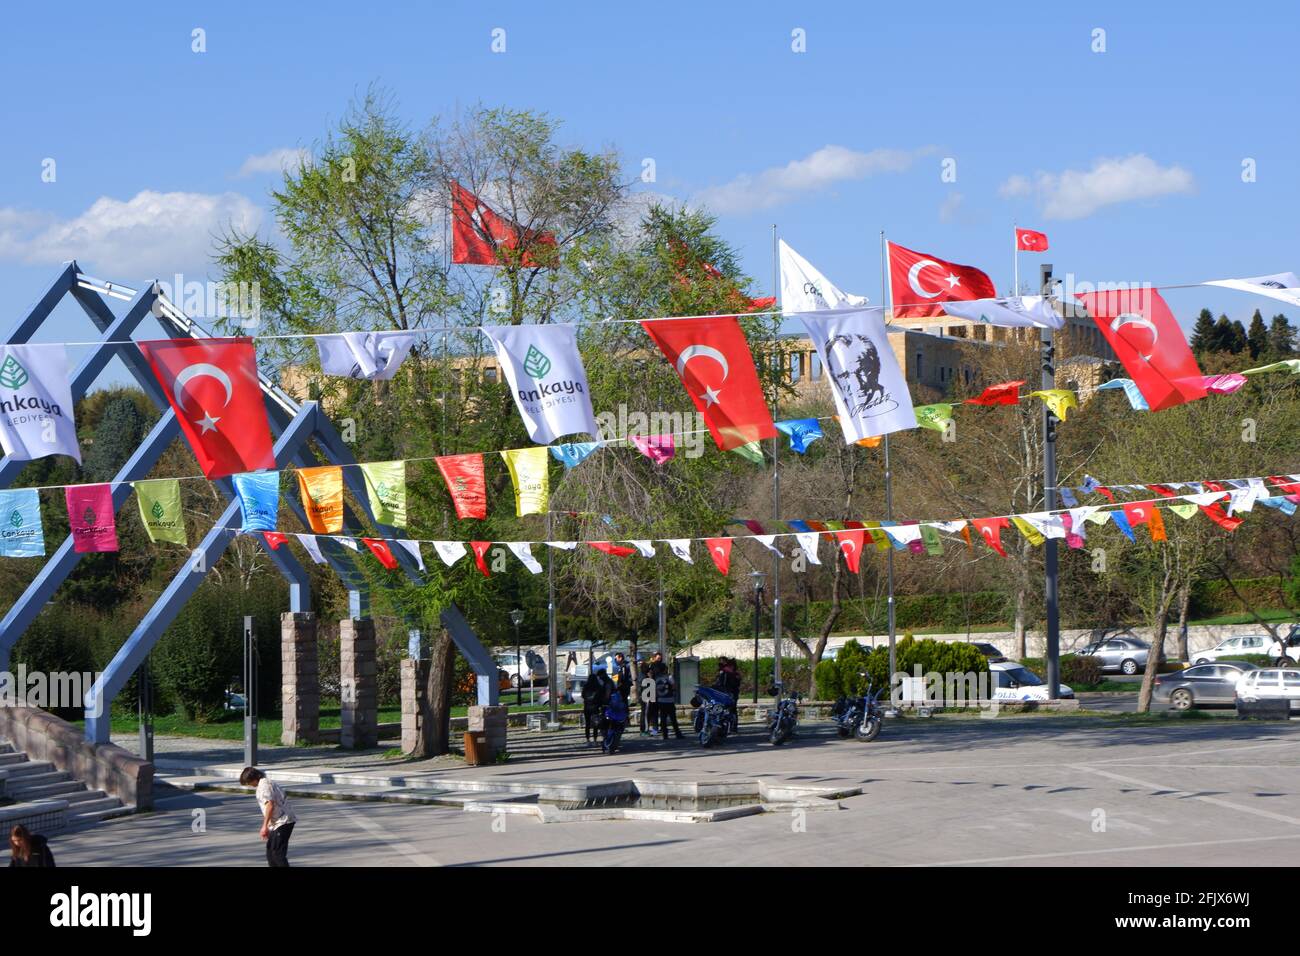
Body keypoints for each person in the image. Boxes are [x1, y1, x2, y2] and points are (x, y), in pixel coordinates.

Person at [240, 767, 297, 867]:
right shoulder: (265, 782)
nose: (249, 785)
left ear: (254, 778)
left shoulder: (264, 786)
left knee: (277, 854)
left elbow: (270, 805)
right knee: (271, 852)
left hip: (283, 821)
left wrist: (264, 826)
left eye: (248, 782)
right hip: (278, 822)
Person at [651, 657, 682, 739]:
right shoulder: (669, 677)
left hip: (661, 700)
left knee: (663, 718)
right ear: (665, 669)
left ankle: (665, 735)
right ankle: (677, 733)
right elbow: (674, 686)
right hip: (670, 700)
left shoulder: (657, 678)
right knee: (673, 718)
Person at [602, 674, 628, 754]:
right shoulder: (617, 695)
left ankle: (607, 744)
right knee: (611, 729)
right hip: (615, 715)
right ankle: (607, 744)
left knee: (612, 729)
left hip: (614, 715)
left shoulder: (615, 695)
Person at [713, 657, 742, 732]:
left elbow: (720, 683)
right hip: (733, 692)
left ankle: (725, 726)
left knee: (724, 709)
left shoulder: (724, 671)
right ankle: (733, 726)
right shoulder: (734, 671)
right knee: (732, 709)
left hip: (726, 692)